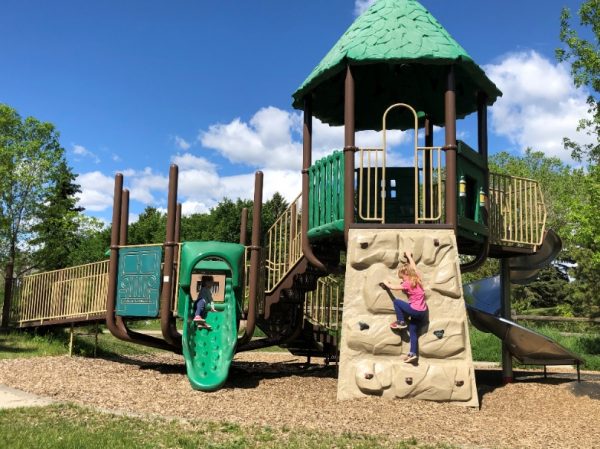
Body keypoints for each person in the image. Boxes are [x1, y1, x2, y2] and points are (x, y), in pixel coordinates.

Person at [382, 252, 427, 363]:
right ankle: (413, 354)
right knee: (413, 331)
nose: (402, 280)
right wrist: (409, 257)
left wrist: (386, 283)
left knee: (397, 302)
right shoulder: (417, 278)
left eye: (402, 277)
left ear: (406, 274)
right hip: (423, 312)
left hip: (415, 310)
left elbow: (393, 287)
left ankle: (401, 322)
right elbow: (413, 266)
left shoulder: (407, 283)